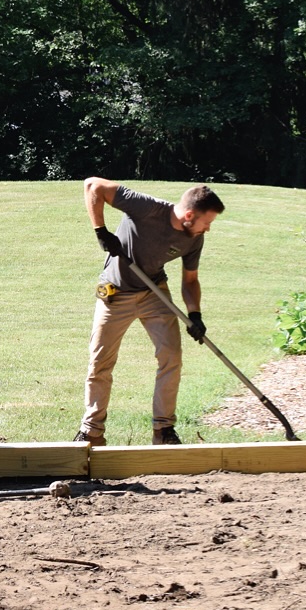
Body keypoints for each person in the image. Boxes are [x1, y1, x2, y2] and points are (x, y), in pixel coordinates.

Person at [73, 177, 224, 447]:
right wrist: (101, 230)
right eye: (207, 222)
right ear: (189, 215)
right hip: (115, 292)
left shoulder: (194, 238)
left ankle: (163, 430)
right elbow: (93, 185)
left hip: (155, 291)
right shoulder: (148, 208)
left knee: (171, 357)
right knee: (100, 363)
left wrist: (195, 315)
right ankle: (91, 432)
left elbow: (190, 281)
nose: (208, 229)